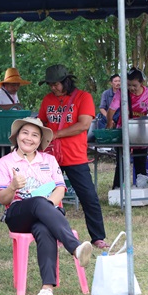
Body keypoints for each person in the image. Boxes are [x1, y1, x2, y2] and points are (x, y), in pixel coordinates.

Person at [0, 117, 93, 295]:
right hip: (18, 214)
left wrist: (47, 207)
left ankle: (47, 288)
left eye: (35, 135)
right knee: (39, 202)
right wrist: (13, 186)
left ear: (40, 141)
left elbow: (60, 189)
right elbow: (1, 199)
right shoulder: (5, 162)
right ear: (17, 136)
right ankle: (75, 248)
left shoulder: (49, 160)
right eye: (25, 133)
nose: (29, 138)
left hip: (47, 213)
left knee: (43, 227)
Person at [38, 64, 109, 249]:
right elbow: (41, 122)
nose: (53, 88)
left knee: (88, 197)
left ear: (66, 81)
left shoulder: (83, 97)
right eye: (50, 84)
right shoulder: (47, 99)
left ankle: (98, 237)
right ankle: (49, 234)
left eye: (56, 84)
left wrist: (56, 134)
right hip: (50, 156)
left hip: (74, 156)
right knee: (45, 197)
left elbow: (84, 125)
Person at [106, 67, 148, 189]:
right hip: (124, 131)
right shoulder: (122, 92)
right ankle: (118, 189)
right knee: (121, 161)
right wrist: (109, 123)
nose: (131, 88)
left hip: (141, 132)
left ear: (141, 83)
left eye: (134, 85)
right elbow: (111, 109)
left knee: (140, 162)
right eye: (129, 85)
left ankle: (142, 189)